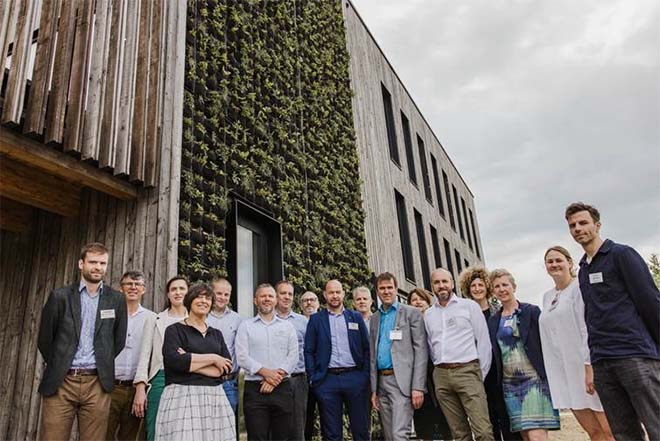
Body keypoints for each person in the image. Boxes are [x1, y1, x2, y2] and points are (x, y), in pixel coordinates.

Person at [565, 202, 660, 440]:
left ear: (597, 225)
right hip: (602, 361)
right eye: (572, 225)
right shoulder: (584, 269)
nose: (578, 228)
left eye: (583, 222)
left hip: (633, 355)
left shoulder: (621, 254)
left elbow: (649, 300)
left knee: (656, 423)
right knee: (623, 432)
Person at [37, 242, 128, 441]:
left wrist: (102, 361)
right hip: (62, 381)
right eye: (93, 262)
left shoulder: (116, 300)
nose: (98, 267)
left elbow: (118, 340)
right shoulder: (59, 297)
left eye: (102, 263)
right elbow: (45, 339)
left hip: (97, 382)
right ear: (81, 264)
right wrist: (60, 362)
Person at [538, 246, 613, 441]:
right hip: (564, 372)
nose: (554, 264)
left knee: (609, 430)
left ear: (569, 263)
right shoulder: (547, 297)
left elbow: (586, 328)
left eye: (558, 260)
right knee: (593, 432)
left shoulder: (580, 287)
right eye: (550, 261)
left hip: (585, 367)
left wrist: (589, 367)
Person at [156, 283, 235, 440]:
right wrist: (213, 358)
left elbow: (225, 368)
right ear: (190, 301)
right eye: (199, 297)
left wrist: (189, 359)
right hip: (181, 396)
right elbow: (174, 362)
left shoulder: (216, 334)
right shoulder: (174, 330)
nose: (203, 301)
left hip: (214, 397)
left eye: (207, 298)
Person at [488, 269, 560, 441]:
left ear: (514, 286)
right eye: (497, 286)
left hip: (534, 380)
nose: (501, 289)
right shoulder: (493, 320)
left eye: (505, 284)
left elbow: (547, 340)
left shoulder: (531, 311)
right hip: (510, 384)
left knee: (536, 436)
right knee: (525, 437)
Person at [424, 268, 493, 441]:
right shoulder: (428, 314)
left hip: (468, 371)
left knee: (483, 431)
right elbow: (431, 346)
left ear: (452, 283)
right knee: (459, 434)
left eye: (444, 281)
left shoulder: (469, 306)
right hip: (441, 376)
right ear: (432, 286)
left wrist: (479, 374)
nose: (441, 286)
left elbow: (484, 342)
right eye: (437, 283)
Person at [304, 279, 370, 441]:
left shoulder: (355, 317)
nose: (334, 295)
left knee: (361, 430)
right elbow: (308, 350)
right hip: (327, 380)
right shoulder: (316, 319)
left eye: (338, 292)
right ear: (325, 295)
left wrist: (365, 376)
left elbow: (367, 348)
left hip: (355, 378)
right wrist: (314, 377)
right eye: (331, 292)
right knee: (331, 434)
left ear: (343, 294)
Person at [459, 267, 520, 441]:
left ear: (487, 287)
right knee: (487, 417)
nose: (477, 289)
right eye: (473, 286)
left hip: (501, 368)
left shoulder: (499, 311)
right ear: (468, 289)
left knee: (506, 415)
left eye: (480, 285)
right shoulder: (466, 313)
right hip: (479, 370)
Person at [236, 283, 299, 441]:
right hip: (255, 390)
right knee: (257, 437)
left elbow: (293, 356)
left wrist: (274, 379)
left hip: (282, 388)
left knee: (283, 437)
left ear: (276, 300)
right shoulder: (246, 326)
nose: (267, 299)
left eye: (270, 296)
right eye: (262, 296)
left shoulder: (288, 326)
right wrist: (267, 373)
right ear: (255, 301)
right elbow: (242, 356)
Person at [369, 273, 427, 441]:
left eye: (389, 288)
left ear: (396, 289)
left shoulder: (411, 313)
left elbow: (421, 351)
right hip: (381, 383)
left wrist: (417, 387)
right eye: (382, 288)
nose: (386, 291)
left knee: (399, 434)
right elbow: (373, 355)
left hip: (402, 382)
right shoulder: (374, 318)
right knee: (388, 436)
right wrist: (374, 390)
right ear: (377, 291)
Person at [133, 276, 189, 441]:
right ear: (168, 294)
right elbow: (144, 355)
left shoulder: (196, 320)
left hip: (187, 379)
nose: (177, 292)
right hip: (160, 378)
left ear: (188, 292)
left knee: (183, 431)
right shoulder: (155, 319)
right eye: (173, 289)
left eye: (181, 289)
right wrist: (140, 388)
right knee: (156, 430)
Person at [107, 270, 156, 440]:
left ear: (144, 290)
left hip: (136, 390)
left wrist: (141, 388)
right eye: (129, 284)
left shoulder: (152, 318)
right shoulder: (109, 315)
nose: (133, 287)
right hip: (109, 388)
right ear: (121, 289)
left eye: (138, 285)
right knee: (101, 435)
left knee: (130, 437)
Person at [406, 288, 451, 441]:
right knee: (423, 418)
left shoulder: (435, 320)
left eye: (421, 299)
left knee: (444, 415)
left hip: (437, 371)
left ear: (428, 301)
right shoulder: (407, 325)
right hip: (419, 376)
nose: (418, 302)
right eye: (413, 300)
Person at [275, 280, 310, 441]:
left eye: (290, 294)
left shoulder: (303, 321)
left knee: (297, 430)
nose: (287, 297)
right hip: (273, 380)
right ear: (276, 295)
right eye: (283, 293)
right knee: (275, 429)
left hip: (298, 380)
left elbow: (311, 350)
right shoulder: (265, 320)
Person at [206, 277, 242, 419]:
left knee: (228, 425)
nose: (222, 297)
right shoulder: (202, 316)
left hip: (229, 383)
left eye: (226, 294)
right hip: (204, 381)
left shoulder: (238, 320)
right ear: (211, 293)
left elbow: (240, 350)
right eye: (219, 293)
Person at [299, 291, 321, 441]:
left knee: (328, 416)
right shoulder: (295, 322)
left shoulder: (325, 321)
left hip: (323, 376)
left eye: (312, 300)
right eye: (305, 300)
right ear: (300, 305)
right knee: (305, 417)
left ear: (318, 303)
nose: (309, 303)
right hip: (302, 377)